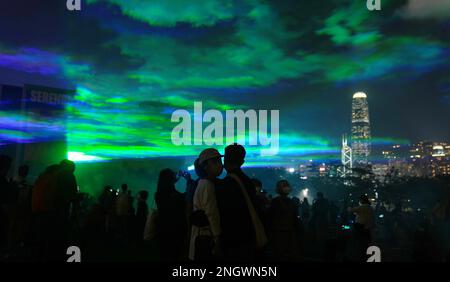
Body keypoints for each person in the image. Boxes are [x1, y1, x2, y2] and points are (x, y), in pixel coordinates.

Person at [216, 143, 267, 262]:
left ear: (225, 161)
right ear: (242, 162)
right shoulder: (248, 182)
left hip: (233, 239)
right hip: (248, 236)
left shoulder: (226, 183)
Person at [189, 148, 222, 262]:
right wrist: (218, 238)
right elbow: (211, 213)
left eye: (219, 161)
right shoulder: (207, 185)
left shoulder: (203, 183)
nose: (220, 165)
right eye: (215, 162)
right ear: (204, 166)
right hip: (207, 237)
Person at [154, 168, 187, 262]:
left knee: (164, 254)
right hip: (174, 229)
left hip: (162, 228)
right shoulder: (172, 194)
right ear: (170, 179)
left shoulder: (159, 193)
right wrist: (189, 181)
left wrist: (177, 177)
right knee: (174, 254)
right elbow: (182, 199)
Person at [267, 180, 299, 261]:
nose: (286, 188)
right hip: (282, 231)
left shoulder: (277, 201)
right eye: (284, 186)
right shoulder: (286, 201)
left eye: (286, 186)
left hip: (283, 231)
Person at [348, 195, 375, 261]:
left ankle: (360, 256)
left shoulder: (363, 207)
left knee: (360, 242)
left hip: (360, 227)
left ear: (362, 200)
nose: (359, 201)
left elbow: (351, 210)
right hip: (367, 227)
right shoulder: (370, 207)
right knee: (365, 243)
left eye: (360, 200)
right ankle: (365, 255)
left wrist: (349, 206)